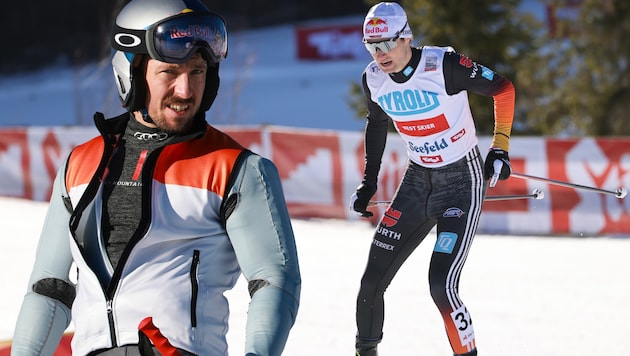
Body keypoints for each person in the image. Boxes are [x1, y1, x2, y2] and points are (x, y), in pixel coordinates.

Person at [11, 0, 301, 355]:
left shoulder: (236, 169)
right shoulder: (79, 165)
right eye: (170, 72)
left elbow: (274, 281)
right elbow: (49, 288)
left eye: (197, 71)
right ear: (130, 72)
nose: (186, 90)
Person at [350, 2, 515, 356]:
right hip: (416, 184)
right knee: (370, 284)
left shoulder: (444, 66)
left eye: (386, 45)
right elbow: (377, 125)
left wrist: (499, 147)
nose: (380, 55)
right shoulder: (374, 79)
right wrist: (368, 182)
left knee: (441, 286)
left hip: (461, 184)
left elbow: (503, 90)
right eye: (371, 46)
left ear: (406, 37)